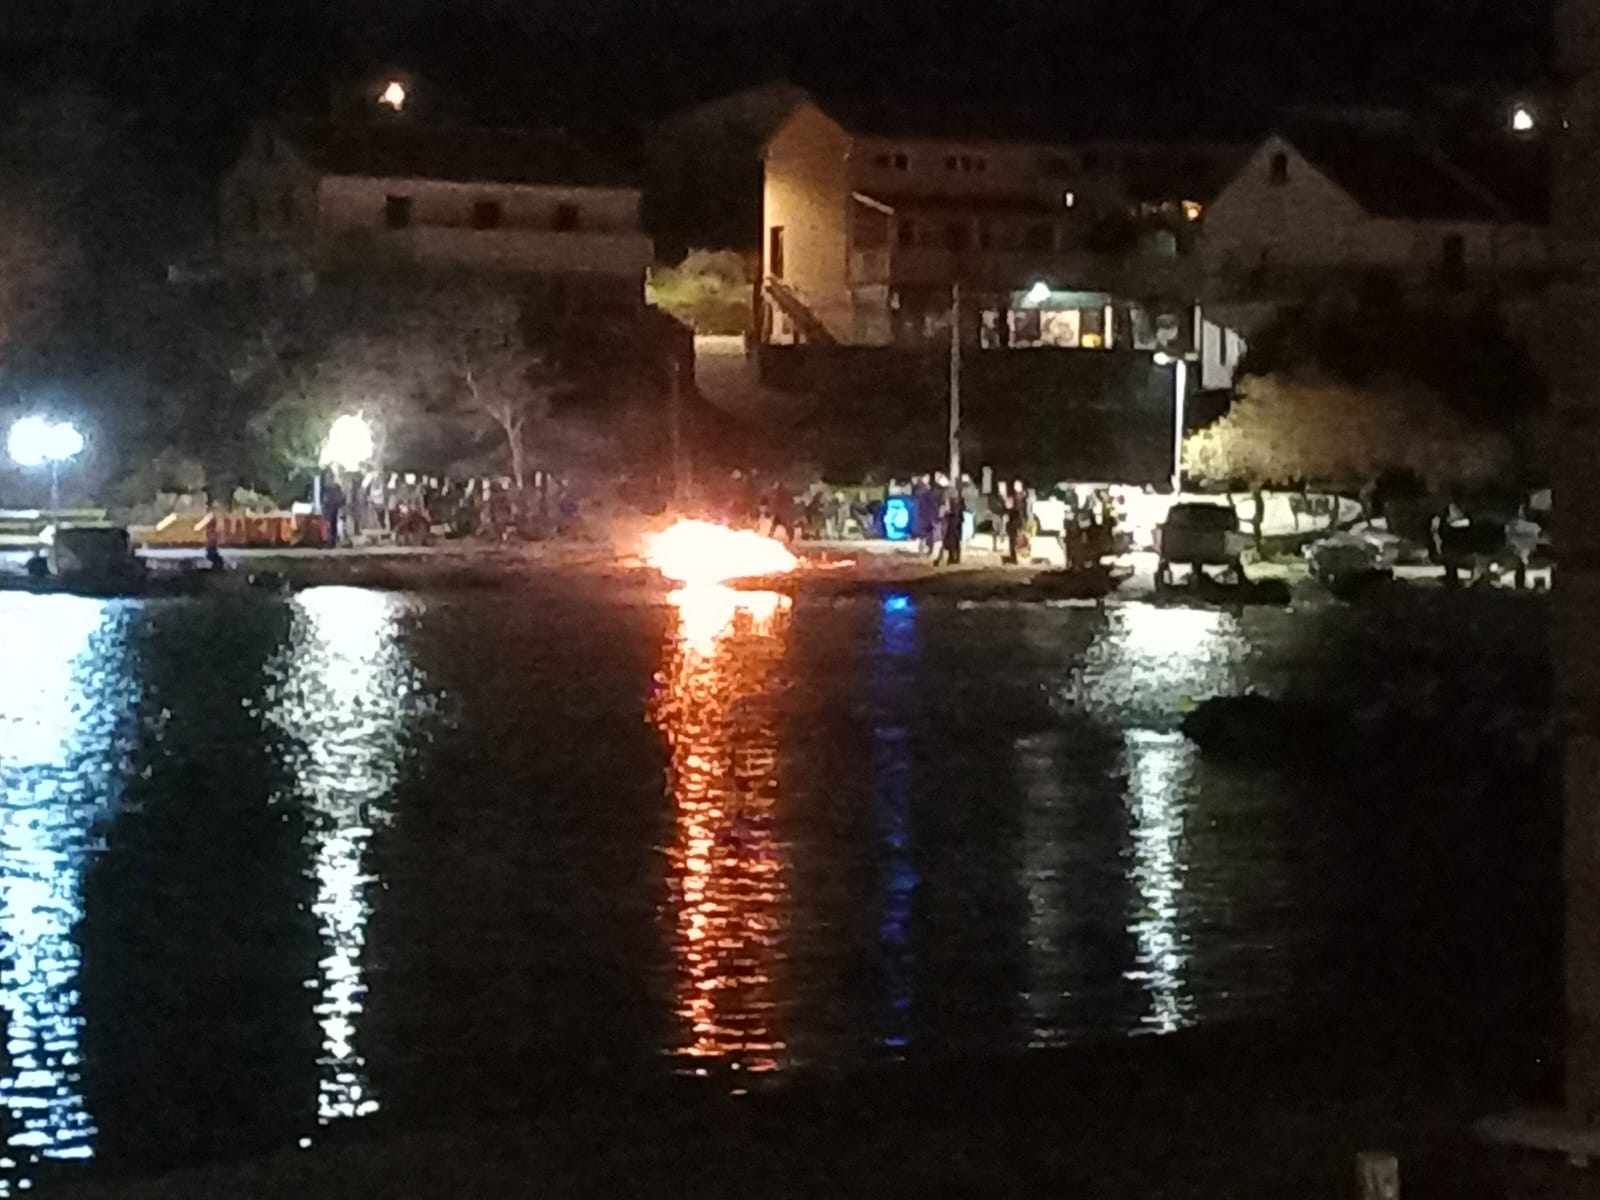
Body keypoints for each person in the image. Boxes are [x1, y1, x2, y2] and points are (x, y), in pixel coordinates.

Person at [936, 484, 965, 565]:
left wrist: (947, 513)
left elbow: (950, 513)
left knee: (951, 541)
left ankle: (951, 558)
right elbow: (960, 515)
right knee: (955, 541)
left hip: (952, 524)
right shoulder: (957, 502)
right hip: (955, 524)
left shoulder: (952, 502)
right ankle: (954, 558)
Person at [989, 481, 1009, 553]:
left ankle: (997, 545)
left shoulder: (1002, 498)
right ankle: (995, 546)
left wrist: (1005, 513)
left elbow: (1006, 507)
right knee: (996, 531)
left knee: (1001, 531)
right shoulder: (994, 497)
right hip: (997, 515)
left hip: (1000, 515)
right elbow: (991, 506)